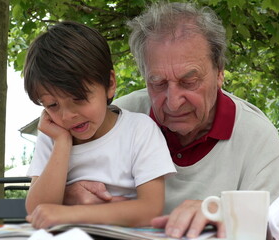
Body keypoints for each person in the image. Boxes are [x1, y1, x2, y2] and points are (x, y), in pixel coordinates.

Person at [63, 2, 279, 238]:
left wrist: (228, 216)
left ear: (220, 72)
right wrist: (68, 195)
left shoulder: (256, 135)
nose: (173, 102)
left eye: (189, 82)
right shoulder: (117, 117)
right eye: (158, 83)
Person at [23, 21, 176, 229]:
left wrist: (72, 214)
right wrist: (62, 143)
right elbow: (37, 209)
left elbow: (150, 210)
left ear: (110, 84)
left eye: (78, 98)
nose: (67, 116)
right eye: (52, 105)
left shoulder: (139, 130)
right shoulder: (52, 136)